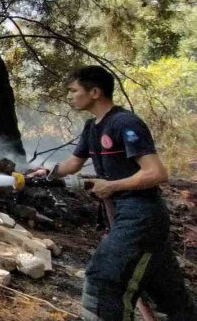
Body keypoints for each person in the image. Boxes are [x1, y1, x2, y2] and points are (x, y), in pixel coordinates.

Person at [28, 65, 195, 321]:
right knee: (170, 298)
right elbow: (73, 164)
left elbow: (156, 173)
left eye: (73, 91)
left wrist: (112, 186)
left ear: (95, 92)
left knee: (104, 280)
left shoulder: (124, 123)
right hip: (126, 216)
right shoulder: (92, 127)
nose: (69, 96)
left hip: (141, 216)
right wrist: (48, 171)